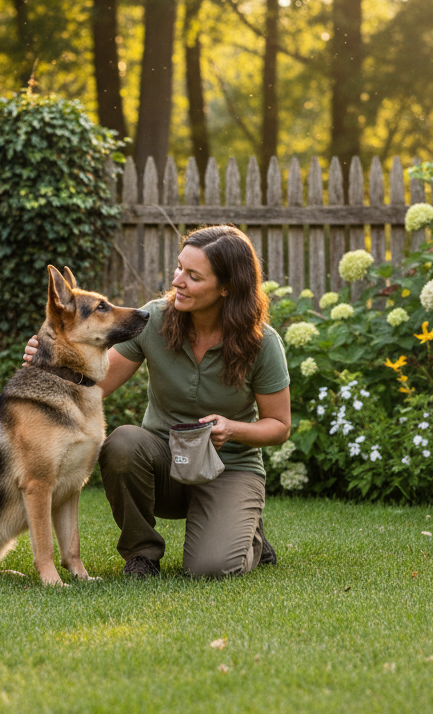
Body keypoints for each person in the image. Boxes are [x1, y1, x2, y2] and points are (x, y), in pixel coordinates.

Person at [25, 224, 291, 579]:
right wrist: (54, 357)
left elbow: (279, 426)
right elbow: (93, 385)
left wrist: (233, 428)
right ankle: (142, 554)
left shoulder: (262, 342)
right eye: (180, 267)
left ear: (227, 287)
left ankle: (247, 533)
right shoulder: (155, 320)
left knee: (211, 569)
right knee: (122, 443)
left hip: (229, 468)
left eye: (194, 276)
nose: (178, 280)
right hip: (164, 464)